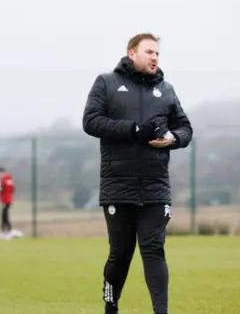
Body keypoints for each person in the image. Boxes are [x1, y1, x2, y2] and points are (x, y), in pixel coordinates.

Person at [82, 33, 193, 314]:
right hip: (118, 187)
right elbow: (91, 121)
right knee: (120, 255)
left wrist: (173, 139)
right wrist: (133, 130)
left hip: (156, 188)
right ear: (132, 54)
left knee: (154, 250)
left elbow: (185, 129)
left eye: (157, 53)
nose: (155, 57)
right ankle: (111, 305)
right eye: (149, 52)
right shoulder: (106, 83)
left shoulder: (166, 90)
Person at [0, 167, 22, 240]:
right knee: (5, 215)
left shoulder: (3, 180)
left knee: (4, 216)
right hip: (9, 200)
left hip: (5, 200)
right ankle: (7, 232)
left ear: (1, 172)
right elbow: (13, 189)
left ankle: (6, 232)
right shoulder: (9, 179)